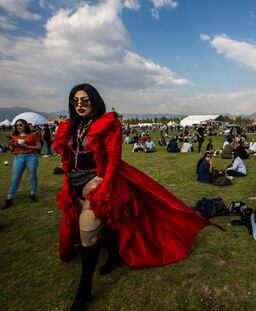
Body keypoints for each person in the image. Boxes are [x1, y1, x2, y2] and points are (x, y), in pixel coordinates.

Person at [52, 84, 218, 310]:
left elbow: (113, 158)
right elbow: (68, 157)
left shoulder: (108, 123)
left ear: (95, 101)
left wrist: (104, 186)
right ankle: (114, 257)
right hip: (74, 180)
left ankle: (84, 290)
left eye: (85, 100)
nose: (80, 105)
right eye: (75, 101)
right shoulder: (71, 126)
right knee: (108, 221)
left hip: (97, 181)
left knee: (88, 231)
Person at [2, 119, 42, 208]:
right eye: (17, 125)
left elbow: (39, 146)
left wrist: (27, 146)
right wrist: (11, 145)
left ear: (25, 125)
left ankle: (32, 194)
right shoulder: (14, 136)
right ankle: (9, 198)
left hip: (31, 157)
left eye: (20, 125)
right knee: (15, 178)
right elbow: (12, 150)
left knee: (33, 176)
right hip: (18, 157)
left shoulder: (32, 135)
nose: (18, 127)